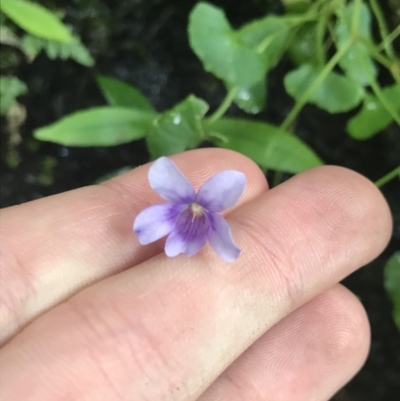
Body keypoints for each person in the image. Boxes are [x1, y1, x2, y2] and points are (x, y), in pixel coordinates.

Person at [0, 149, 392, 401]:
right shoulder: (189, 208)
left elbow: (222, 240)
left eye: (200, 214)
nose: (195, 215)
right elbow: (167, 224)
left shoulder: (208, 216)